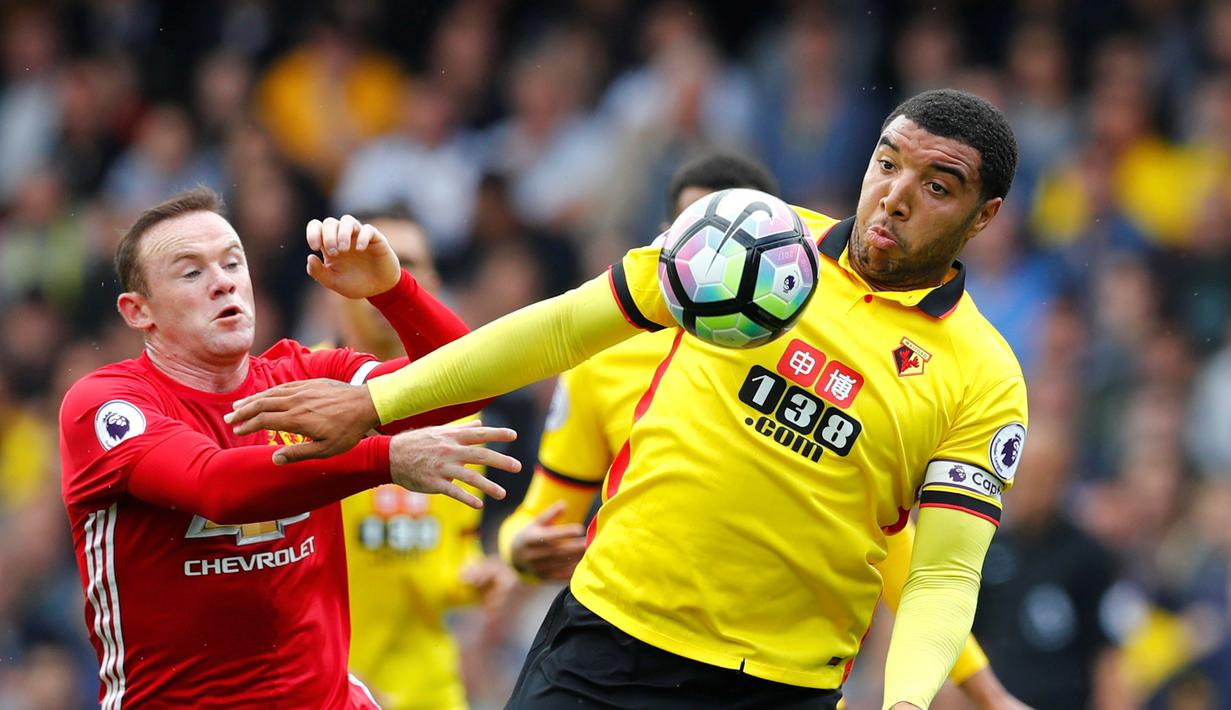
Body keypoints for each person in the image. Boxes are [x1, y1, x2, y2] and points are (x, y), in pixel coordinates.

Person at [229, 89, 1028, 710]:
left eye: (937, 185)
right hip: (608, 638)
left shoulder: (983, 377)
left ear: (983, 216)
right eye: (886, 162)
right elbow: (560, 329)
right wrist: (376, 406)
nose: (894, 195)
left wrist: (908, 698)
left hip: (778, 683)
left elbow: (943, 574)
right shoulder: (745, 239)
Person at [503, 152, 1028, 710]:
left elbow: (903, 556)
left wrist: (978, 690)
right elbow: (539, 513)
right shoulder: (606, 361)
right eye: (695, 233)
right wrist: (517, 550)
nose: (711, 259)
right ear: (668, 236)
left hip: (777, 680)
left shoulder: (836, 347)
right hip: (616, 647)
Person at [59, 187, 521, 707]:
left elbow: (467, 383)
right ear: (137, 310)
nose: (222, 281)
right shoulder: (105, 406)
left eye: (233, 262)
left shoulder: (305, 374)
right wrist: (385, 458)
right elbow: (217, 485)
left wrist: (392, 290)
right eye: (192, 272)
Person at [329, 207, 516, 710]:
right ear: (333, 282)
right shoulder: (297, 396)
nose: (378, 277)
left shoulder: (458, 411)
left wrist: (479, 576)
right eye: (364, 262)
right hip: (324, 683)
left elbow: (446, 555)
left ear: (426, 283)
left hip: (427, 692)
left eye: (400, 263)